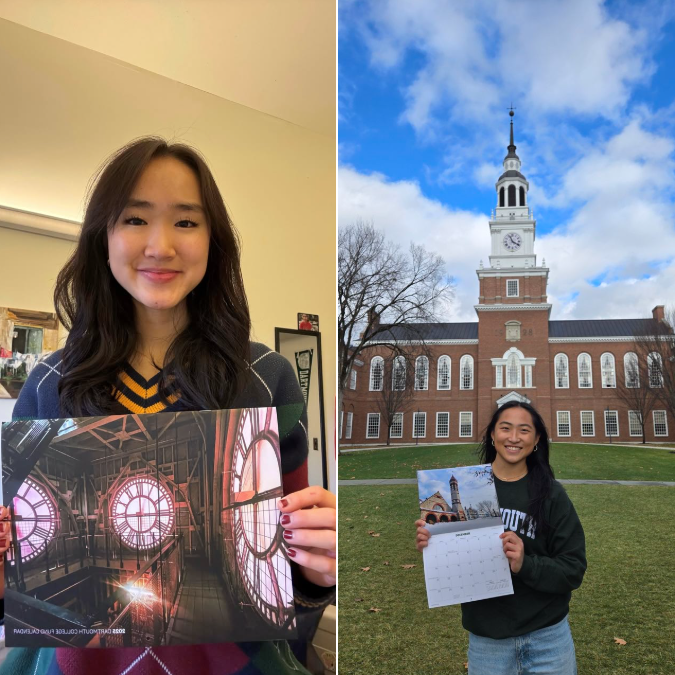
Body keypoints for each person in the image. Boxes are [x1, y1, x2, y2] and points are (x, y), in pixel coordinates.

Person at [1, 137, 335, 675]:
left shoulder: (266, 377)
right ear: (101, 237)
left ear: (214, 240)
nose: (160, 245)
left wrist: (319, 570)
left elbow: (292, 576)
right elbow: (22, 576)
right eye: (134, 219)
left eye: (185, 222)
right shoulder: (46, 382)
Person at [415, 401, 586, 675]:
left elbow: (573, 569)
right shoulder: (471, 488)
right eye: (505, 428)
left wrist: (524, 563)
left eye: (524, 430)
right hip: (488, 642)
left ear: (536, 438)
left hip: (548, 639)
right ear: (493, 435)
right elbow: (455, 561)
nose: (514, 438)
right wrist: (434, 543)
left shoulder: (551, 495)